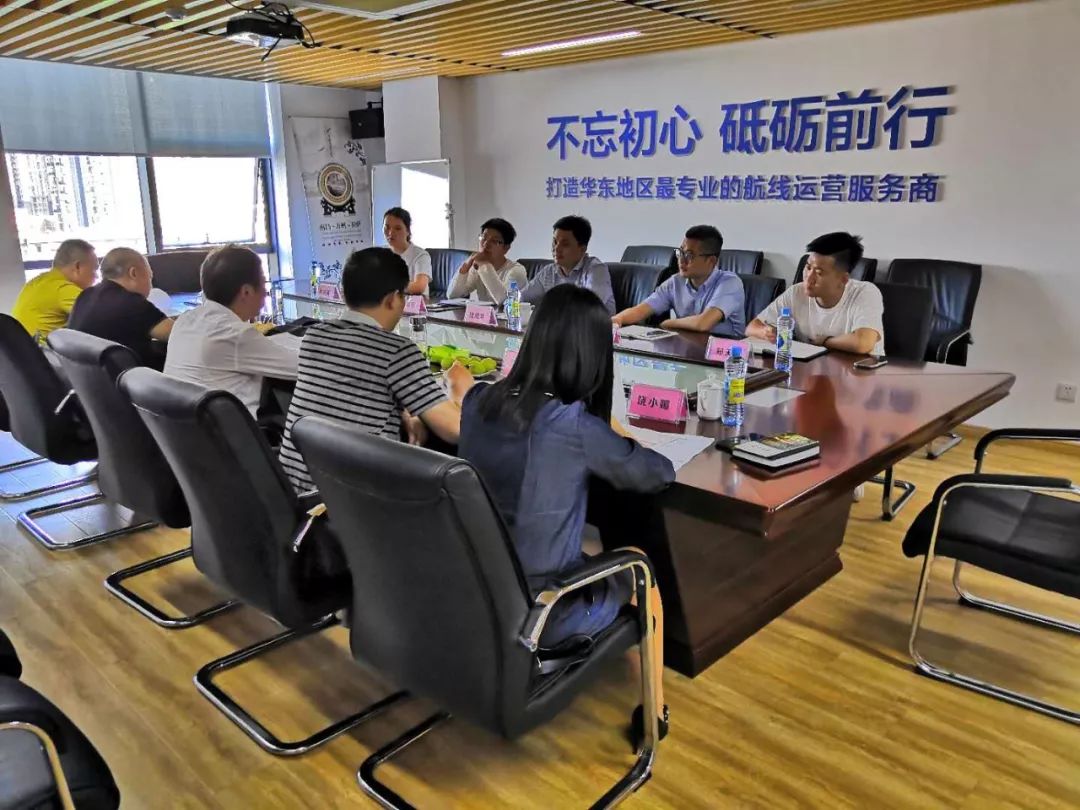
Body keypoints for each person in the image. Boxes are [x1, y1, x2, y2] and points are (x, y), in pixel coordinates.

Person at [458, 284, 673, 729]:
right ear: (593, 356)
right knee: (639, 565)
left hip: (474, 594)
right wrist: (615, 433)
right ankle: (655, 714)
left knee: (583, 548)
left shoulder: (479, 400)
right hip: (541, 615)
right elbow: (657, 473)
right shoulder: (571, 424)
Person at [278, 247, 474, 493]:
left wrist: (408, 409)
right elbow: (456, 430)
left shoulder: (314, 336)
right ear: (392, 299)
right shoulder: (396, 350)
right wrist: (460, 387)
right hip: (353, 502)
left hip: (296, 494)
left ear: (345, 294)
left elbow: (357, 392)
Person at [164, 245, 298, 415]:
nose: (266, 291)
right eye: (263, 282)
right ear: (246, 292)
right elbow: (302, 367)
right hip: (238, 429)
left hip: (187, 427)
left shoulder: (185, 320)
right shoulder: (235, 335)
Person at [746, 232, 884, 355]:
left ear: (843, 279)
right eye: (808, 267)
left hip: (860, 370)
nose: (809, 278)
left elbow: (863, 343)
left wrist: (825, 341)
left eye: (819, 272)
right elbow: (751, 328)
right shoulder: (796, 292)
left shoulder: (865, 293)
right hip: (813, 368)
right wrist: (766, 332)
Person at [611, 225, 745, 336]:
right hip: (688, 350)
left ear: (711, 261)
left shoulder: (730, 283)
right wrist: (617, 319)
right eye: (680, 252)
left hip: (726, 355)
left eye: (689, 255)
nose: (681, 260)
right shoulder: (675, 282)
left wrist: (669, 323)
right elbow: (641, 310)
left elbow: (703, 323)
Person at [68, 247, 173, 369]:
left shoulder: (85, 296)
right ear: (133, 273)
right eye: (150, 277)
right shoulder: (131, 302)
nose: (151, 285)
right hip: (131, 377)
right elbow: (181, 334)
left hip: (91, 377)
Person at [521, 215, 615, 313]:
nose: (556, 249)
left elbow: (588, 308)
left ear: (582, 249)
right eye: (555, 242)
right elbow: (522, 297)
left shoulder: (596, 270)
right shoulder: (549, 272)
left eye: (565, 244)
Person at [11, 239, 98, 339]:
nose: (96, 276)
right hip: (40, 348)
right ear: (77, 267)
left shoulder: (38, 281)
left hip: (22, 345)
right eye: (94, 270)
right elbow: (101, 315)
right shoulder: (62, 288)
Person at [447, 217, 528, 303]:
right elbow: (452, 295)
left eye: (494, 241)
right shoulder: (477, 267)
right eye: (483, 238)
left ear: (506, 248)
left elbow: (505, 302)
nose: (486, 244)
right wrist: (465, 268)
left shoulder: (516, 271)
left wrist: (485, 265)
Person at [382, 207, 431, 296]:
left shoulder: (420, 255)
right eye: (387, 227)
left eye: (397, 228)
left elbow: (419, 287)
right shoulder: (381, 254)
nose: (390, 233)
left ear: (408, 231)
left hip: (414, 303)